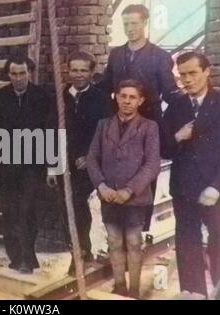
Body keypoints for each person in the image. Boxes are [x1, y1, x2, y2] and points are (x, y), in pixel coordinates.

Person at [97, 4, 180, 230]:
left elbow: (172, 93)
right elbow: (104, 86)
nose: (130, 28)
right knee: (116, 174)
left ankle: (138, 232)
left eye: (134, 23)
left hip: (147, 126)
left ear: (145, 22)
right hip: (119, 126)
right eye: (125, 24)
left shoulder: (160, 56)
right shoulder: (116, 54)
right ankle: (115, 232)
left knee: (143, 179)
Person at [160, 52, 220, 298]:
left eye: (192, 73)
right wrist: (177, 137)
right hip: (184, 188)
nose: (187, 80)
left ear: (207, 72)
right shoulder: (176, 106)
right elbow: (163, 148)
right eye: (182, 75)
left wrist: (218, 186)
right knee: (187, 242)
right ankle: (193, 293)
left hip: (217, 190)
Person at [87, 79, 161, 298]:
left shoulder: (149, 127)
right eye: (123, 96)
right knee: (114, 241)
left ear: (140, 100)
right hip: (109, 196)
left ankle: (134, 291)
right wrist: (101, 186)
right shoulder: (103, 125)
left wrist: (129, 190)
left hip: (135, 198)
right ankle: (119, 286)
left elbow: (152, 164)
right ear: (116, 97)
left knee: (134, 242)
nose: (127, 101)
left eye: (132, 97)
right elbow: (92, 158)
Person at [46, 51, 113, 276]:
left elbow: (107, 133)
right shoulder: (60, 97)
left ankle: (92, 251)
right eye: (74, 70)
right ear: (67, 70)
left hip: (92, 165)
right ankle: (79, 252)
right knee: (68, 208)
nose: (78, 74)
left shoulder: (102, 99)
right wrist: (52, 168)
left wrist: (90, 155)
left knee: (85, 206)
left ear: (91, 72)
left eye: (83, 70)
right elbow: (52, 134)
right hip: (65, 164)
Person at [0, 55, 51, 274]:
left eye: (22, 73)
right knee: (9, 210)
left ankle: (27, 257)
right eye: (14, 74)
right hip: (7, 163)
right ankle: (15, 256)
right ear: (8, 75)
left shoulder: (42, 97)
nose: (18, 78)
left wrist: (49, 164)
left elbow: (49, 131)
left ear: (30, 73)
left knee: (26, 209)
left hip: (32, 165)